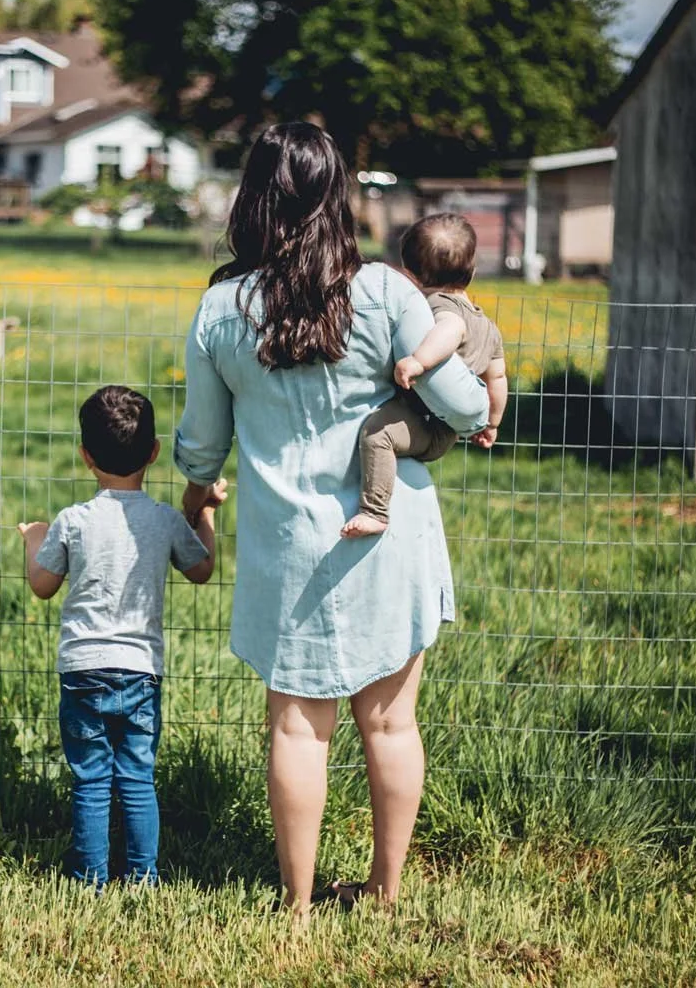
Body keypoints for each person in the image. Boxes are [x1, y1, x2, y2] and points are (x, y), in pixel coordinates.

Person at [174, 123, 488, 916]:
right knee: (391, 724)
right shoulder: (387, 291)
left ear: (252, 199)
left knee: (296, 728)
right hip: (391, 532)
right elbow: (462, 402)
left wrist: (198, 488)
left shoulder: (221, 307)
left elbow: (202, 447)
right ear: (336, 196)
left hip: (290, 547)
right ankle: (385, 895)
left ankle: (299, 906)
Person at [17, 385, 226, 887]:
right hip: (139, 671)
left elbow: (42, 586)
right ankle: (141, 876)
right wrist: (209, 516)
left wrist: (33, 540)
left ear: (86, 456)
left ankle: (88, 877)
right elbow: (202, 569)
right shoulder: (164, 520)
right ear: (154, 452)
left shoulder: (72, 522)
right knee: (136, 776)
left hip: (83, 669)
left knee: (90, 779)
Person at [341, 213, 509, 539]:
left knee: (378, 434)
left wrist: (418, 361)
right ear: (471, 272)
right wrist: (493, 423)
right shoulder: (489, 327)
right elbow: (498, 379)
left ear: (411, 275)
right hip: (447, 431)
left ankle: (374, 511)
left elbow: (451, 329)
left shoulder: (437, 305)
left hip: (421, 421)